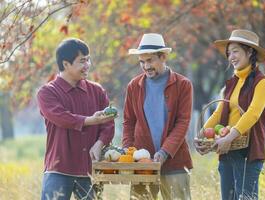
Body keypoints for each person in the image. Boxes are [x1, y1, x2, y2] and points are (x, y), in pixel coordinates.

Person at [194, 29, 265, 200]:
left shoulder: (263, 82)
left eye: (236, 51)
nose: (231, 57)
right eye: (229, 53)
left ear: (250, 51)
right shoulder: (232, 83)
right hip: (226, 152)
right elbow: (219, 112)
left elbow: (253, 114)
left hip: (247, 152)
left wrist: (229, 137)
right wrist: (201, 134)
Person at [37, 38, 116, 200]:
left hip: (90, 170)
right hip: (59, 169)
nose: (87, 65)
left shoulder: (97, 91)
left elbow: (108, 125)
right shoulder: (47, 93)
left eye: (88, 60)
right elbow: (61, 117)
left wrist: (99, 143)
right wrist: (90, 120)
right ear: (66, 64)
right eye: (82, 61)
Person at [123, 33, 193, 200]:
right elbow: (128, 122)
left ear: (163, 57)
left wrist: (164, 152)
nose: (146, 66)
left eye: (150, 60)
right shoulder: (134, 86)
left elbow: (183, 122)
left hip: (175, 161)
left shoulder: (183, 85)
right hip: (142, 163)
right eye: (142, 62)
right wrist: (128, 149)